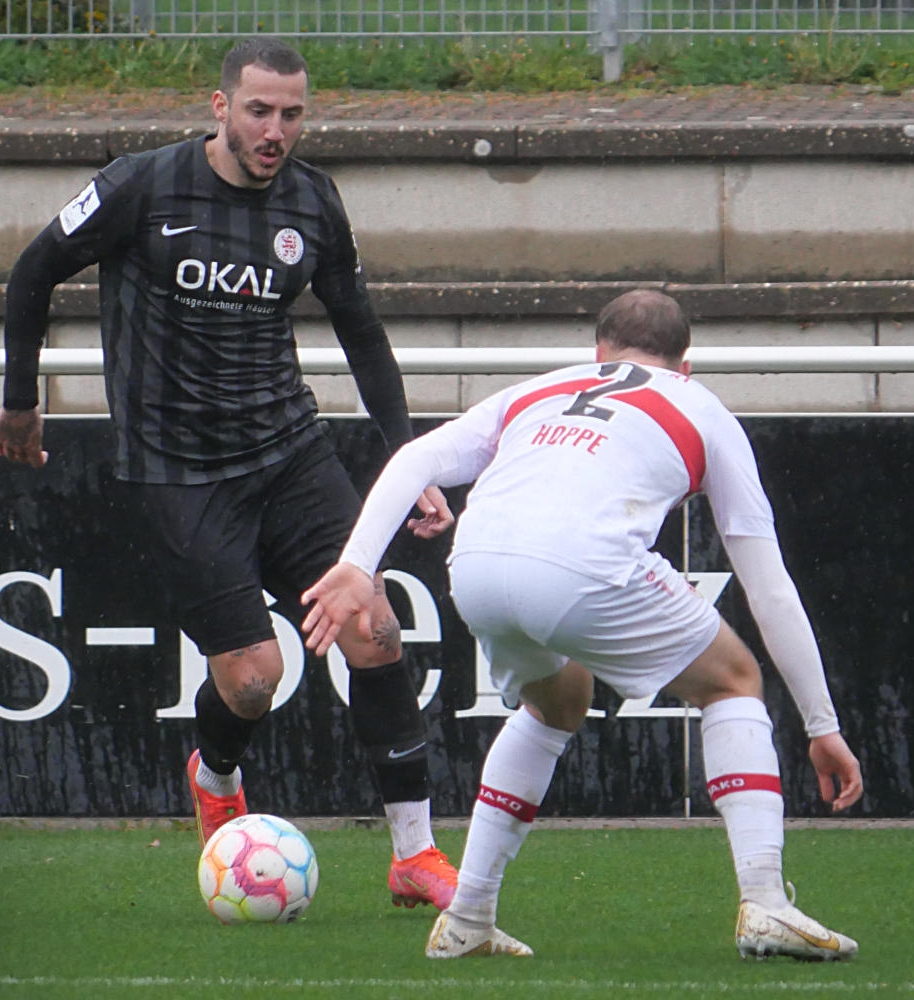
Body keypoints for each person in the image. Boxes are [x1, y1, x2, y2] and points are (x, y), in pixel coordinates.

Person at [0, 37, 459, 911]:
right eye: (258, 110)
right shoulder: (142, 186)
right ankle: (214, 775)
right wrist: (21, 401)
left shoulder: (313, 201)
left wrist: (412, 460)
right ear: (221, 108)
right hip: (179, 472)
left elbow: (361, 332)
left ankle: (414, 855)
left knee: (374, 629)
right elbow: (33, 271)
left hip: (289, 454)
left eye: (292, 114)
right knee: (253, 679)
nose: (275, 130)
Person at [300, 289, 865, 960]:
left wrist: (358, 563)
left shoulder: (540, 388)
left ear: (599, 352)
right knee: (734, 680)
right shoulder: (702, 408)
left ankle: (468, 917)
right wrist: (822, 725)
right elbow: (768, 587)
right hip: (583, 563)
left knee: (558, 700)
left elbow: (416, 458)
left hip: (476, 562)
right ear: (685, 365)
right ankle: (766, 900)